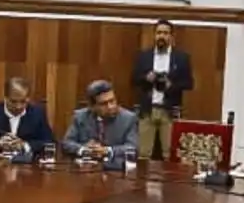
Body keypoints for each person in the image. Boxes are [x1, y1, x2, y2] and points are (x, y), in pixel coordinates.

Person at [132, 19, 194, 160]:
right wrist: (146, 78)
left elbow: (189, 83)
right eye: (159, 32)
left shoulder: (181, 58)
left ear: (171, 36)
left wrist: (171, 85)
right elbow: (133, 79)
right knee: (143, 154)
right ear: (154, 35)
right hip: (147, 111)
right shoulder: (144, 56)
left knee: (170, 154)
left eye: (165, 33)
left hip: (169, 111)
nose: (162, 36)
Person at [0, 77, 56, 154]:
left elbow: (49, 141)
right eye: (13, 101)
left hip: (27, 164)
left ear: (28, 99)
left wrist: (24, 145)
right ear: (5, 98)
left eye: (23, 101)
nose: (18, 106)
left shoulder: (37, 113)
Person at [61, 80, 138, 160]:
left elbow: (132, 148)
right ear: (92, 106)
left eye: (112, 101)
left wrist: (107, 151)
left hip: (114, 166)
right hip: (85, 166)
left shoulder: (129, 118)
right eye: (104, 104)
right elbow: (66, 143)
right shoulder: (80, 117)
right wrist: (85, 150)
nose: (110, 107)